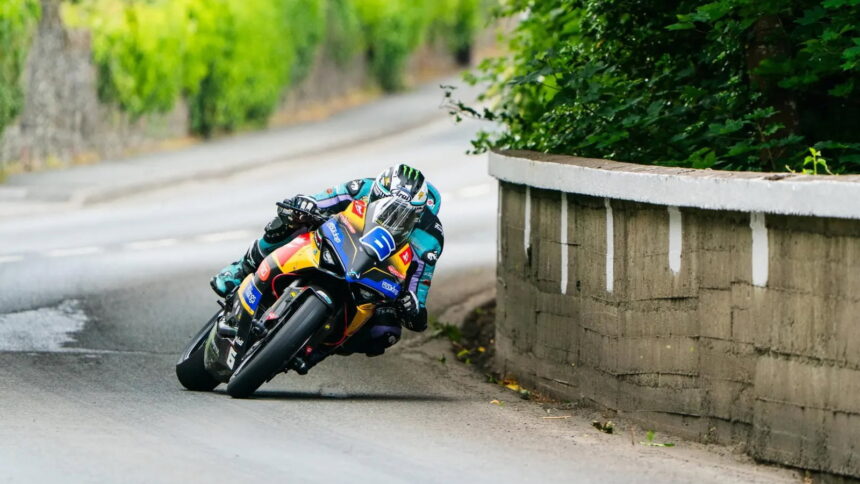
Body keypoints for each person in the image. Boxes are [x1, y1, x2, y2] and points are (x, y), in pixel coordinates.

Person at [210, 164, 444, 362]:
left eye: (404, 215)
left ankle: (318, 348)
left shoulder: (431, 237)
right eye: (386, 206)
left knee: (386, 331)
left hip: (375, 279)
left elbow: (418, 289)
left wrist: (411, 306)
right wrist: (305, 205)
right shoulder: (361, 187)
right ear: (376, 193)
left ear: (419, 213)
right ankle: (240, 269)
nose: (393, 218)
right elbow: (322, 200)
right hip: (338, 243)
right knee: (290, 220)